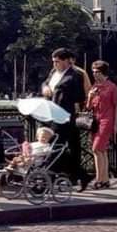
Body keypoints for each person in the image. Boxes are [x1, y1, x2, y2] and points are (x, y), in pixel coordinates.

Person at [41, 48, 92, 192]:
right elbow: (45, 83)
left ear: (65, 61)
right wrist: (45, 88)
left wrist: (62, 93)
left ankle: (47, 178)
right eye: (53, 62)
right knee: (65, 148)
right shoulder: (53, 73)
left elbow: (80, 96)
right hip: (52, 114)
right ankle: (81, 175)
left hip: (64, 116)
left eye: (57, 62)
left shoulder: (75, 75)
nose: (54, 64)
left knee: (56, 146)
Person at [86, 60, 117, 189]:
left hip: (107, 120)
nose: (95, 74)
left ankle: (99, 179)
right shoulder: (94, 86)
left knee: (96, 148)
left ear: (104, 72)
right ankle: (105, 179)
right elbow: (88, 107)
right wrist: (90, 96)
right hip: (95, 120)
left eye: (97, 72)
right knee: (101, 151)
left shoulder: (111, 87)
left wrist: (116, 124)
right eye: (93, 72)